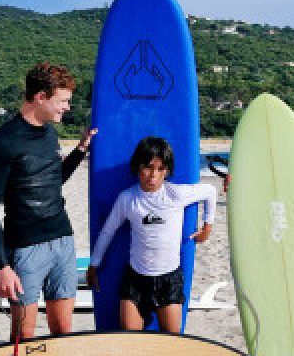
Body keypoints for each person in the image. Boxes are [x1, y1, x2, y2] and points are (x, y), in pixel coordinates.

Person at [0, 62, 94, 341]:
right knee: (24, 334)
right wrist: (1, 266)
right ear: (41, 96)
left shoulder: (50, 133)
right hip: (24, 248)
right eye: (63, 100)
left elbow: (53, 182)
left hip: (62, 240)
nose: (67, 107)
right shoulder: (4, 142)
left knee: (63, 330)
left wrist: (80, 151)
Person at [86, 137, 216, 332]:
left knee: (171, 345)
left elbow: (210, 191)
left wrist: (208, 227)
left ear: (167, 171)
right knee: (132, 343)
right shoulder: (128, 198)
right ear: (138, 166)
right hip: (135, 280)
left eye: (161, 169)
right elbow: (108, 231)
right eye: (148, 167)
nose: (153, 175)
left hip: (169, 279)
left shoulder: (175, 194)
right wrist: (94, 265)